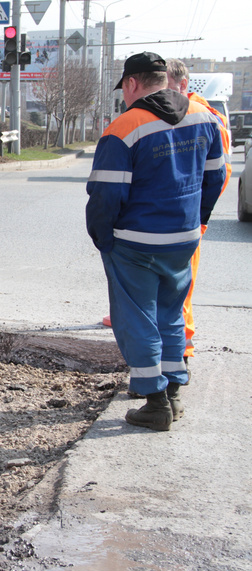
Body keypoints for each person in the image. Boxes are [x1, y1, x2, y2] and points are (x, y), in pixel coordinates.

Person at [85, 51, 226, 431]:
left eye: (124, 89)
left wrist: (103, 239)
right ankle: (175, 392)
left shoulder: (125, 127)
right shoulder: (205, 118)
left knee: (138, 318)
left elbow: (105, 196)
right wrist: (197, 222)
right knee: (171, 314)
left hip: (135, 243)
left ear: (132, 84)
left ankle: (155, 401)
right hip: (183, 239)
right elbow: (216, 178)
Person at [165, 58, 232, 374]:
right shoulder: (181, 115)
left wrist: (197, 215)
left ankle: (182, 353)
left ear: (181, 85)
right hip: (179, 219)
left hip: (188, 221)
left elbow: (220, 174)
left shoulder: (205, 118)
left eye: (162, 85)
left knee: (180, 289)